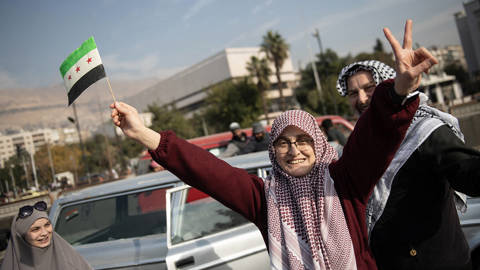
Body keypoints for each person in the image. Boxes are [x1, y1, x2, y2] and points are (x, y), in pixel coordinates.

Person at [111, 20, 437, 269]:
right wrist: (143, 133)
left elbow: (374, 135)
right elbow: (207, 172)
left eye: (302, 140)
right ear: (273, 152)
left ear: (319, 143)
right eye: (283, 143)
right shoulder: (264, 199)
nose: (294, 150)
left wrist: (397, 91)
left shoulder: (346, 179)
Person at [336, 54, 480, 268]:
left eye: (369, 88)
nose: (363, 99)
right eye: (353, 93)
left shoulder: (425, 130)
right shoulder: (357, 146)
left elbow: (468, 173)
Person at [0, 201, 92, 270]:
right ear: (21, 236)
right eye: (35, 229)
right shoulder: (11, 266)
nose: (44, 233)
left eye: (47, 225)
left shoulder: (72, 260)